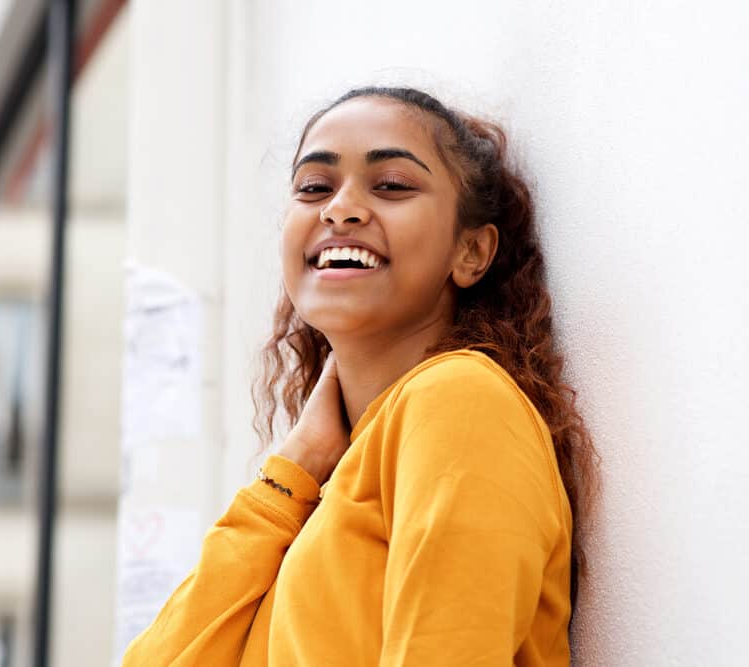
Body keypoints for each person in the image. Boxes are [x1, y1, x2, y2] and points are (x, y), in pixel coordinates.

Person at [122, 86, 600, 666]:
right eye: (314, 188)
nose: (339, 208)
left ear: (472, 252)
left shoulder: (462, 402)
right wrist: (289, 477)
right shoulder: (323, 483)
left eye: (392, 185)